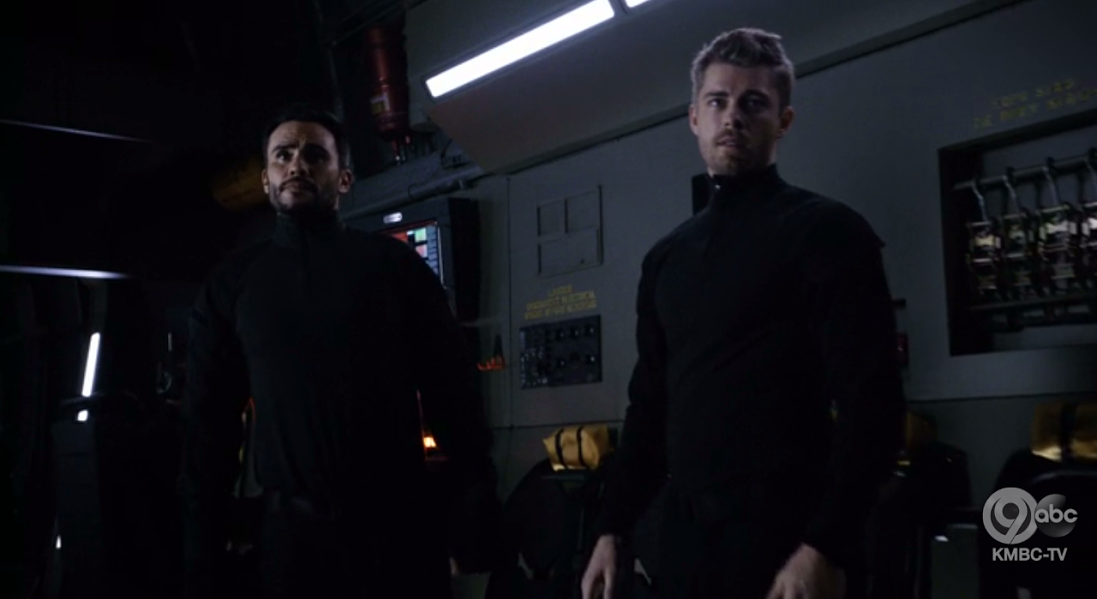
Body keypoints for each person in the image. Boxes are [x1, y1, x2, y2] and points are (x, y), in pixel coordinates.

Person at [580, 28, 905, 599]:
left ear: (783, 121)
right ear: (694, 118)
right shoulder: (666, 259)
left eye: (753, 102)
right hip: (687, 544)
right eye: (718, 101)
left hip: (788, 543)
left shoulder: (827, 232)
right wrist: (612, 527)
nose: (732, 116)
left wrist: (826, 545)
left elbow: (872, 405)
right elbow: (649, 406)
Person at [180, 104, 500, 599]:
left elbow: (452, 394)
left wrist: (474, 510)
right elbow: (208, 424)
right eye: (283, 155)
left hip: (397, 534)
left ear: (344, 178)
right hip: (293, 543)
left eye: (315, 155)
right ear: (265, 180)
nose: (297, 165)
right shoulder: (232, 285)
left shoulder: (395, 268)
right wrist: (201, 544)